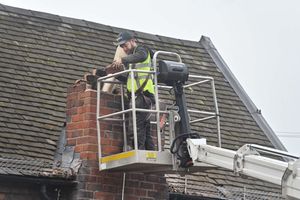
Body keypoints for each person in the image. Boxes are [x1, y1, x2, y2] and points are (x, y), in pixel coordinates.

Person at [114, 31, 155, 150]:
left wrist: (123, 60)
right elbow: (130, 79)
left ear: (133, 41)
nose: (124, 48)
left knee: (138, 127)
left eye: (125, 45)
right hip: (138, 97)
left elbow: (141, 56)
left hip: (144, 95)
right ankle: (149, 152)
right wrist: (117, 75)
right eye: (122, 47)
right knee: (144, 128)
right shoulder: (131, 61)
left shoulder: (142, 50)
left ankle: (139, 151)